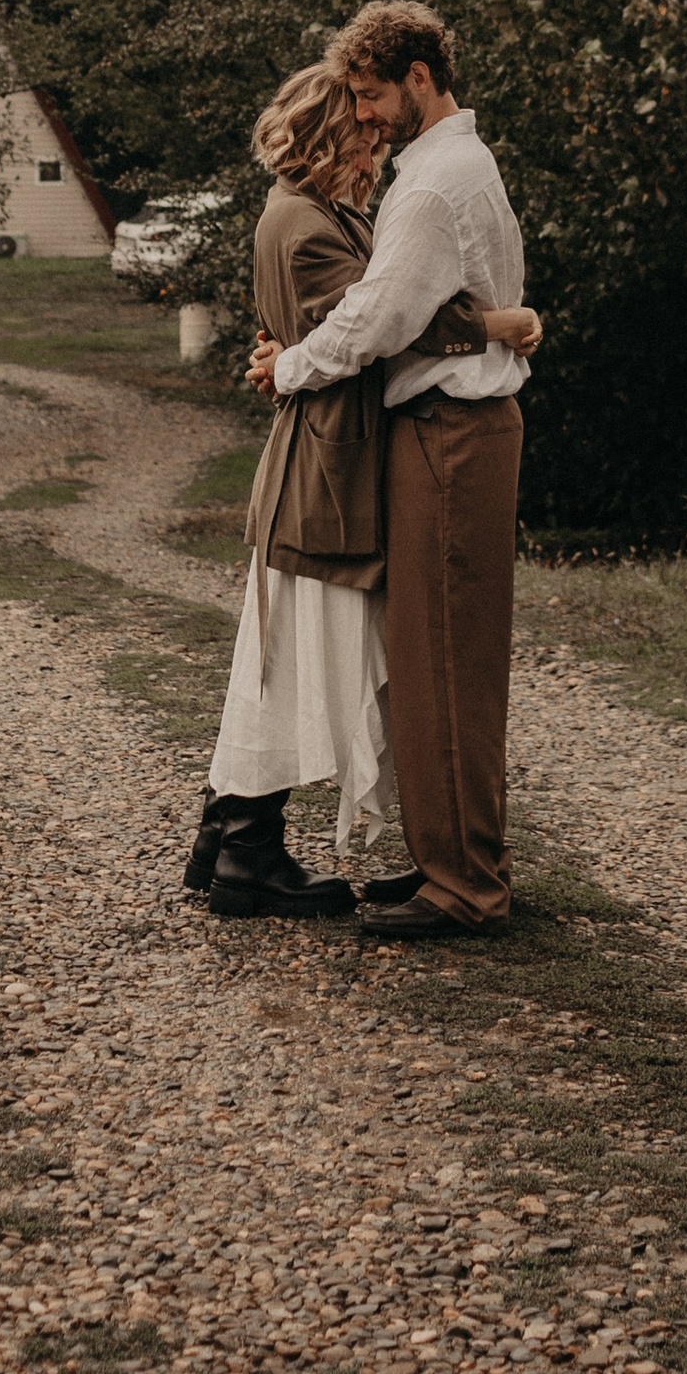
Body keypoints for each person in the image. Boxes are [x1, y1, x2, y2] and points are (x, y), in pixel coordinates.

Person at [190, 58, 540, 923]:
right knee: (302, 656)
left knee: (301, 655)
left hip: (336, 457)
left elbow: (378, 306)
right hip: (325, 469)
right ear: (328, 135)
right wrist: (497, 321)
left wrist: (286, 357)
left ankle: (231, 840)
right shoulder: (304, 221)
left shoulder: (327, 210)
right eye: (363, 134)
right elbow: (384, 322)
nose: (376, 149)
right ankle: (242, 845)